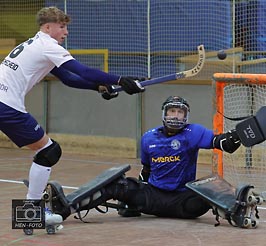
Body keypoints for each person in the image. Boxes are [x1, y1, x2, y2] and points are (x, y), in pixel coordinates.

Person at [0, 6, 144, 225]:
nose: (66, 32)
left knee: (46, 150)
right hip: (6, 104)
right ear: (48, 27)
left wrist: (99, 87)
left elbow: (68, 78)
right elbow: (82, 71)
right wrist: (120, 79)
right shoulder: (48, 46)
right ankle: (30, 212)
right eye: (62, 26)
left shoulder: (35, 44)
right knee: (49, 150)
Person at [54, 95, 241, 221]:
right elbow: (146, 171)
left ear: (186, 116)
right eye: (172, 111)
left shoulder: (194, 132)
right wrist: (130, 197)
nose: (175, 116)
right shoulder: (148, 138)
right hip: (151, 200)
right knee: (118, 185)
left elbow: (220, 142)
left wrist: (235, 137)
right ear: (164, 114)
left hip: (184, 203)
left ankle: (239, 214)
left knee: (209, 186)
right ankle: (63, 210)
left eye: (180, 112)